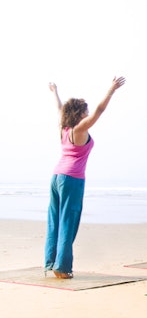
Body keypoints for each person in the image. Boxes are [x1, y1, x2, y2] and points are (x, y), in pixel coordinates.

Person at [45, 77, 126, 279]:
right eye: (85, 111)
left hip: (56, 177)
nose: (88, 113)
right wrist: (111, 90)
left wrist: (55, 91)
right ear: (79, 114)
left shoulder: (63, 129)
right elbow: (100, 111)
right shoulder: (79, 129)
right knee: (68, 222)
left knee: (54, 221)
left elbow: (59, 108)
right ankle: (62, 268)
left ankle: (50, 262)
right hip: (72, 179)